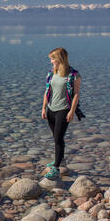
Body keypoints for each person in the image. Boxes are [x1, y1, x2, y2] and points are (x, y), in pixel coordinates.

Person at [41, 47, 83, 179]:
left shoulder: (73, 75)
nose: (51, 62)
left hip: (63, 110)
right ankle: (59, 159)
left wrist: (71, 112)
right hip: (51, 110)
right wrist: (43, 108)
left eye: (52, 59)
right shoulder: (51, 73)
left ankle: (56, 168)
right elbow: (47, 91)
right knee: (56, 137)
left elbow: (76, 94)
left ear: (59, 59)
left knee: (59, 138)